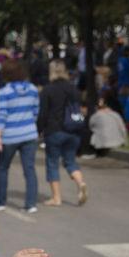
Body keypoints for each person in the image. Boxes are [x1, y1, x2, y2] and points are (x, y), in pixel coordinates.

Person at [36, 60, 88, 207]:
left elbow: (43, 114)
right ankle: (81, 183)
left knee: (52, 163)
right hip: (73, 130)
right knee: (70, 161)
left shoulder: (48, 90)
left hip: (54, 131)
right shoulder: (73, 89)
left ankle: (56, 198)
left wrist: (39, 130)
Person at [0, 59, 41, 212]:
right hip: (29, 134)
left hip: (9, 136)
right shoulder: (33, 89)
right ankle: (31, 204)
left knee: (3, 168)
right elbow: (36, 111)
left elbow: (1, 116)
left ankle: (0, 202)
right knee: (29, 169)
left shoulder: (4, 92)